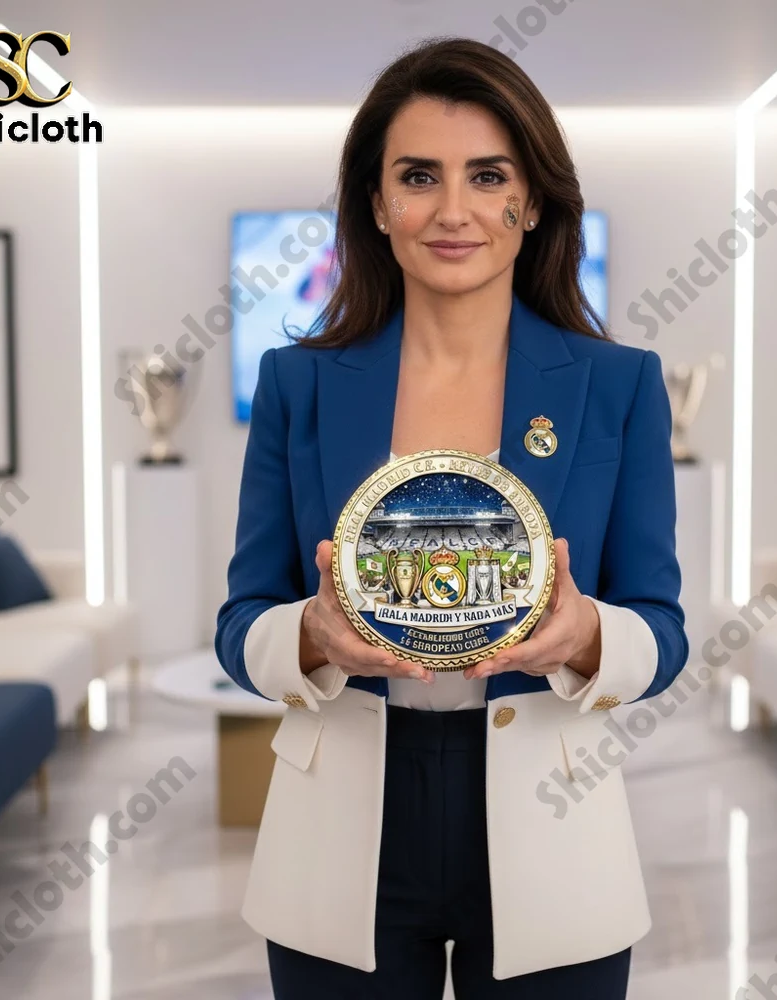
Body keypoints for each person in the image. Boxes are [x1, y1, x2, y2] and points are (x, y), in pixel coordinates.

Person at [216, 35, 688, 999]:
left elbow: (665, 630)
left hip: (551, 824)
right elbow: (238, 624)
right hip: (343, 825)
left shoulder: (619, 386)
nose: (453, 209)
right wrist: (308, 635)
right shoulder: (296, 384)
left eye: (488, 175)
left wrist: (584, 633)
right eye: (418, 176)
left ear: (533, 202)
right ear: (378, 205)